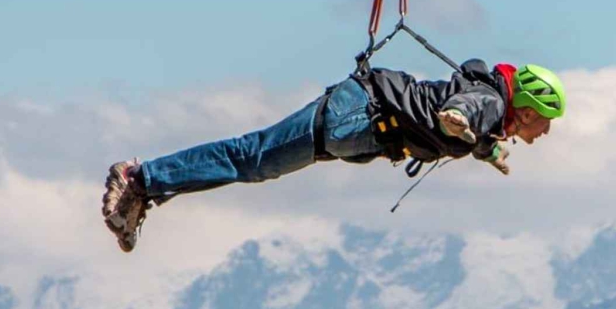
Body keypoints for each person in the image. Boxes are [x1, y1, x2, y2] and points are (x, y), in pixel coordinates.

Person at [101, 60, 565, 252]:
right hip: (356, 115)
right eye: (546, 121)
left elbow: (476, 127)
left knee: (255, 164)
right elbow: (460, 113)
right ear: (529, 107)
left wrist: (488, 149)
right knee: (254, 157)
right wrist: (456, 124)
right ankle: (140, 177)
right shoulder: (487, 104)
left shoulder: (492, 110)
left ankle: (148, 189)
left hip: (358, 121)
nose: (545, 133)